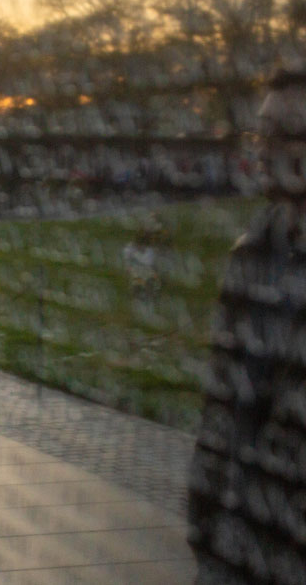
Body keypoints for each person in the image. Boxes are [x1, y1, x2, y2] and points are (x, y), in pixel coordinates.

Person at [187, 66, 306, 584]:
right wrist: (204, 513)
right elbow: (223, 399)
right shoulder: (250, 255)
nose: (260, 148)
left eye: (279, 135)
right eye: (261, 132)